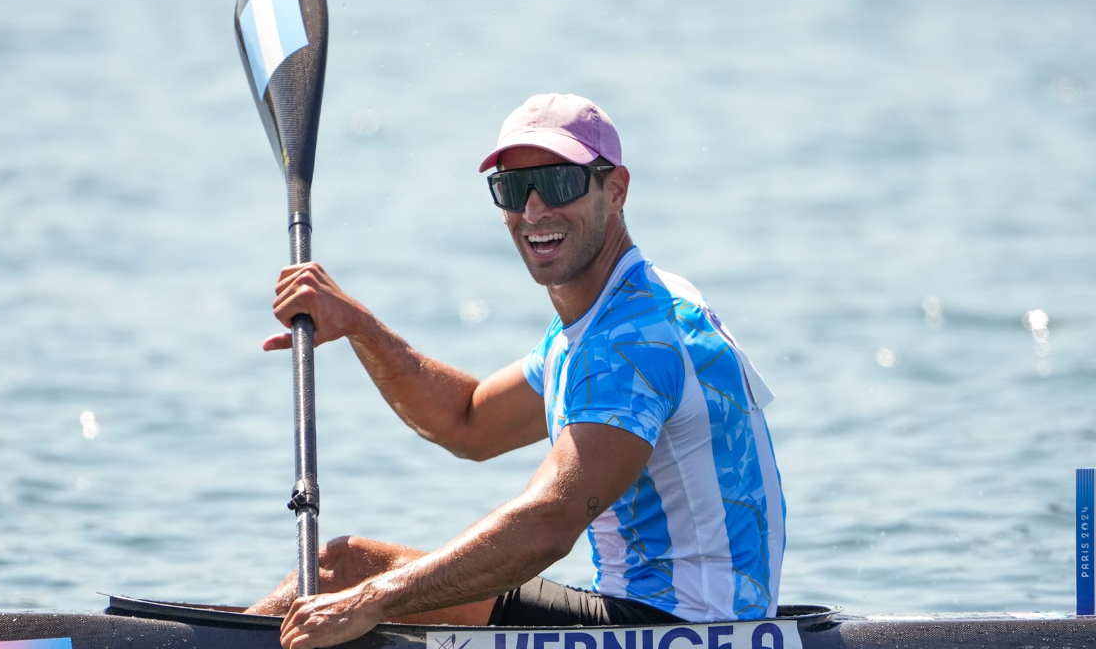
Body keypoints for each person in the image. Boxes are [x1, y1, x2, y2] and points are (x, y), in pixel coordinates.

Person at [249, 93, 785, 649]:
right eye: (512, 189)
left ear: (616, 189)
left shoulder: (633, 341)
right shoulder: (625, 311)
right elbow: (467, 421)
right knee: (340, 580)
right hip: (671, 619)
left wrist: (370, 600)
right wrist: (361, 326)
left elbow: (550, 523)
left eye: (557, 183)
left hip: (689, 631)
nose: (533, 211)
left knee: (346, 571)